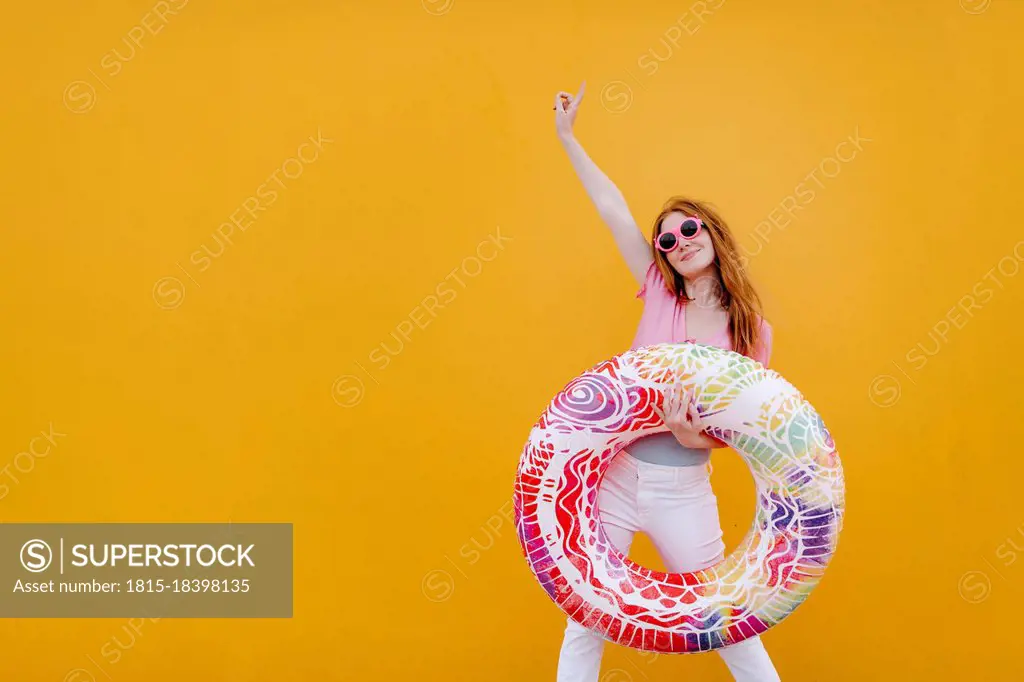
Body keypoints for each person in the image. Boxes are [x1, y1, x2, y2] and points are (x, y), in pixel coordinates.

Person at [552, 82, 781, 682]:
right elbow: (612, 209)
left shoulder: (752, 332)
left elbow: (746, 430)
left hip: (685, 494)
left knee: (727, 624)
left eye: (689, 231)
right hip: (619, 480)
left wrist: (692, 436)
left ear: (713, 234)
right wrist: (568, 137)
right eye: (666, 239)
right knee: (586, 621)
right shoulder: (658, 290)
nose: (677, 243)